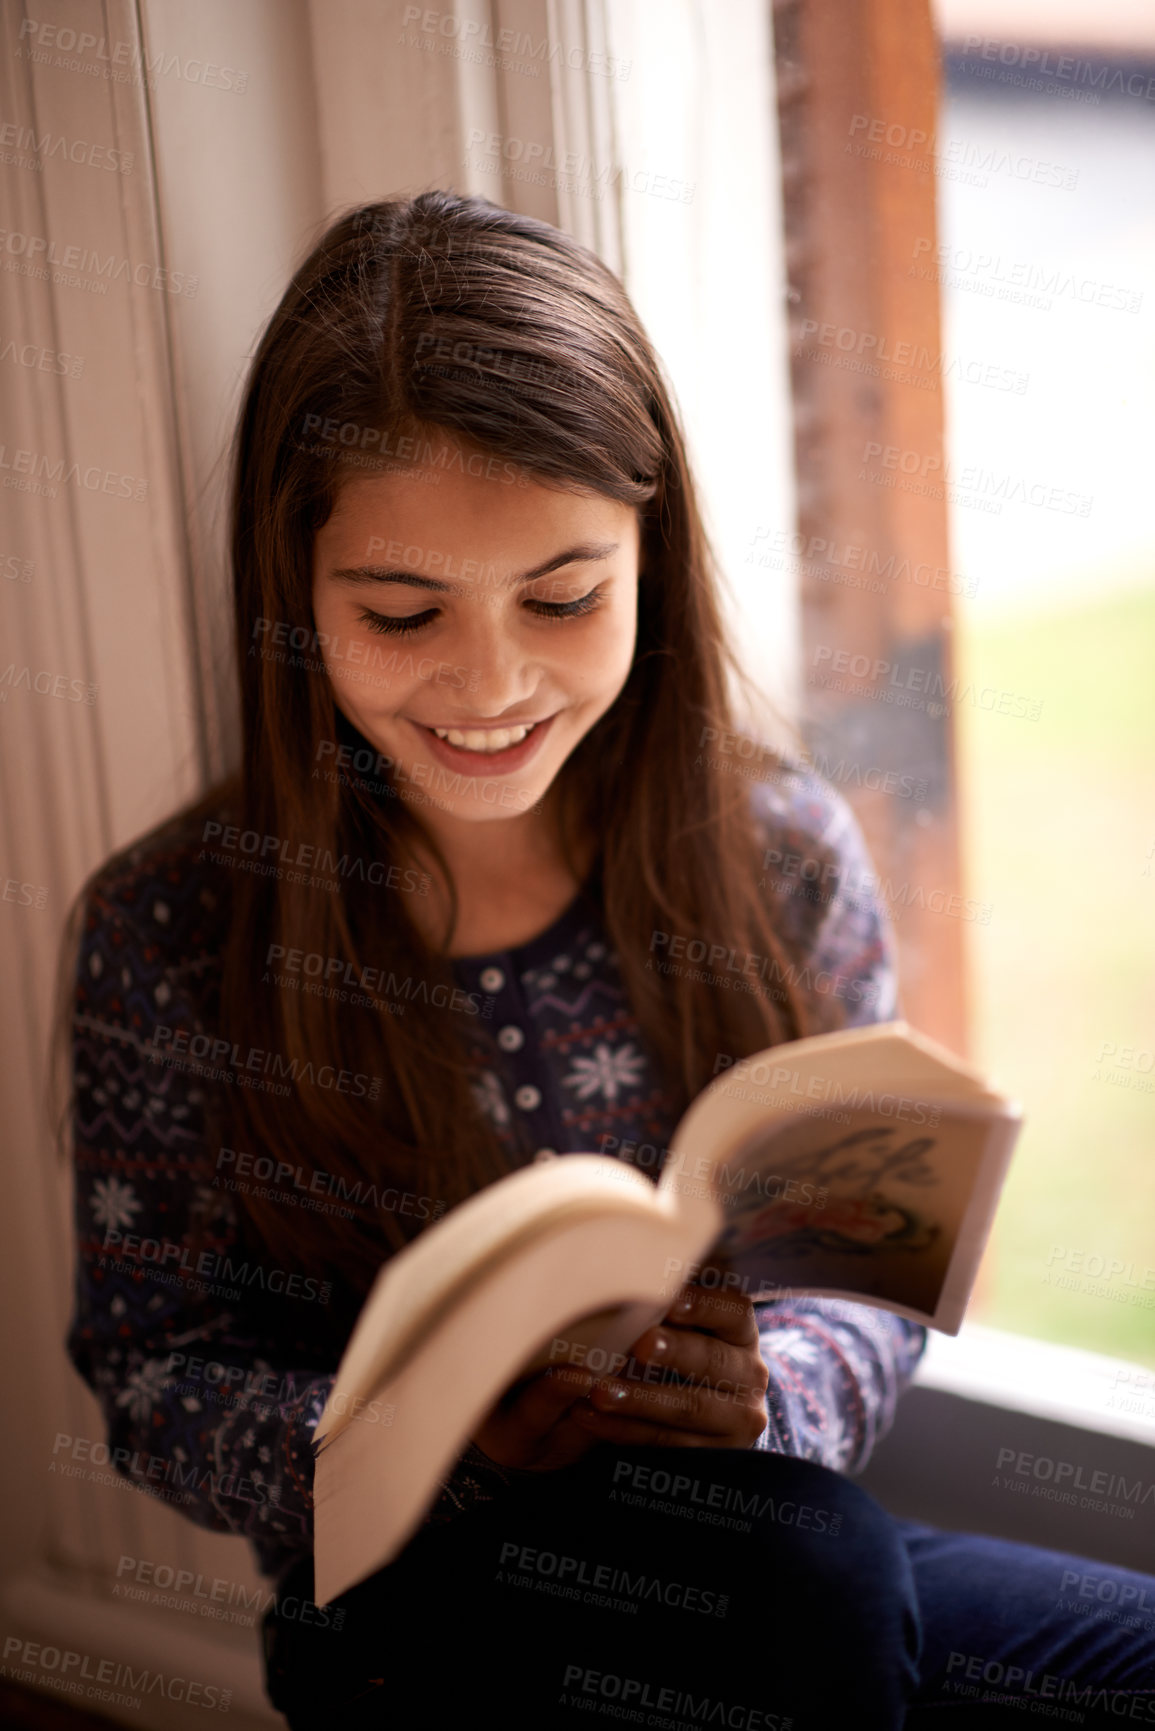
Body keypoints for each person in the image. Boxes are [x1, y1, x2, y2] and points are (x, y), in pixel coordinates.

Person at [63, 192, 1155, 1729]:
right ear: (294, 598)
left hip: (774, 1536)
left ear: (652, 555)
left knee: (910, 1602)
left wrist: (770, 1397)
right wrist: (422, 1432)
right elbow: (154, 1365)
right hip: (415, 1609)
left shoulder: (774, 853)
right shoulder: (174, 932)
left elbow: (870, 1285)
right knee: (810, 1592)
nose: (491, 681)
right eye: (400, 611)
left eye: (564, 600)